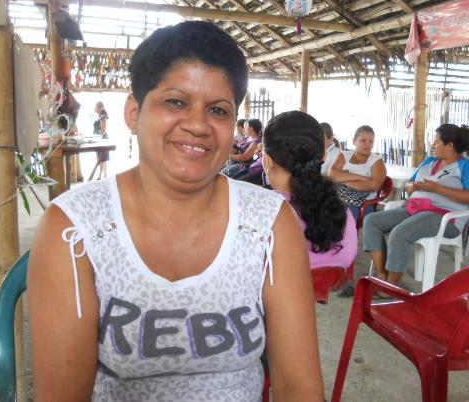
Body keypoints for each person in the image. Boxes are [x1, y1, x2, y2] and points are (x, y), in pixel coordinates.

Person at [28, 21, 324, 401]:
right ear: (133, 112)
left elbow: (299, 387)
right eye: (175, 102)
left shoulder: (269, 223)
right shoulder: (75, 229)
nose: (198, 125)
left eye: (217, 110)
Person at [362, 124, 469, 287]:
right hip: (414, 209)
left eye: (437, 142)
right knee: (371, 221)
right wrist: (412, 187)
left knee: (400, 232)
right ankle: (382, 273)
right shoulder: (429, 162)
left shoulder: (466, 167)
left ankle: (390, 286)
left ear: (450, 146)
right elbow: (408, 183)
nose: (433, 145)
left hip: (444, 217)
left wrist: (437, 189)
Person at [263, 111, 357, 270]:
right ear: (323, 157)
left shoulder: (264, 210)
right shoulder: (340, 209)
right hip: (327, 285)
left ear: (267, 160)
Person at [329, 125, 386, 221]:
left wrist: (343, 180)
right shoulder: (344, 155)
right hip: (339, 198)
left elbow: (374, 185)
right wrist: (359, 178)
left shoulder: (377, 161)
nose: (367, 144)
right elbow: (332, 175)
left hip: (362, 204)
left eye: (371, 141)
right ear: (354, 141)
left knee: (339, 217)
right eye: (363, 140)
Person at [93, 101, 110, 180]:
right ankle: (105, 175)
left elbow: (103, 131)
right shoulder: (100, 116)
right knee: (102, 158)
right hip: (100, 140)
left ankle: (100, 175)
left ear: (99, 107)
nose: (94, 108)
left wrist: (96, 137)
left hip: (102, 140)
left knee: (101, 158)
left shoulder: (103, 117)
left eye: (95, 106)